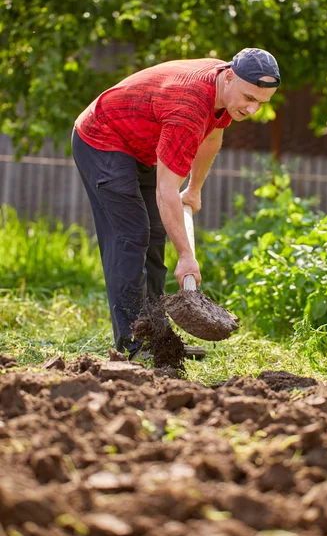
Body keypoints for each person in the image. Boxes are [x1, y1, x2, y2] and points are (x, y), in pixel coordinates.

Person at [72, 47, 280, 359]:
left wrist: (194, 189)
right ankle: (132, 344)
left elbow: (211, 138)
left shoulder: (222, 95)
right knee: (131, 237)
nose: (253, 110)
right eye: (249, 98)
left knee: (155, 236)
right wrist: (186, 256)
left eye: (261, 103)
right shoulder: (189, 107)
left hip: (140, 145)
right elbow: (167, 191)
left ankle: (157, 339)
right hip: (103, 138)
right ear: (227, 76)